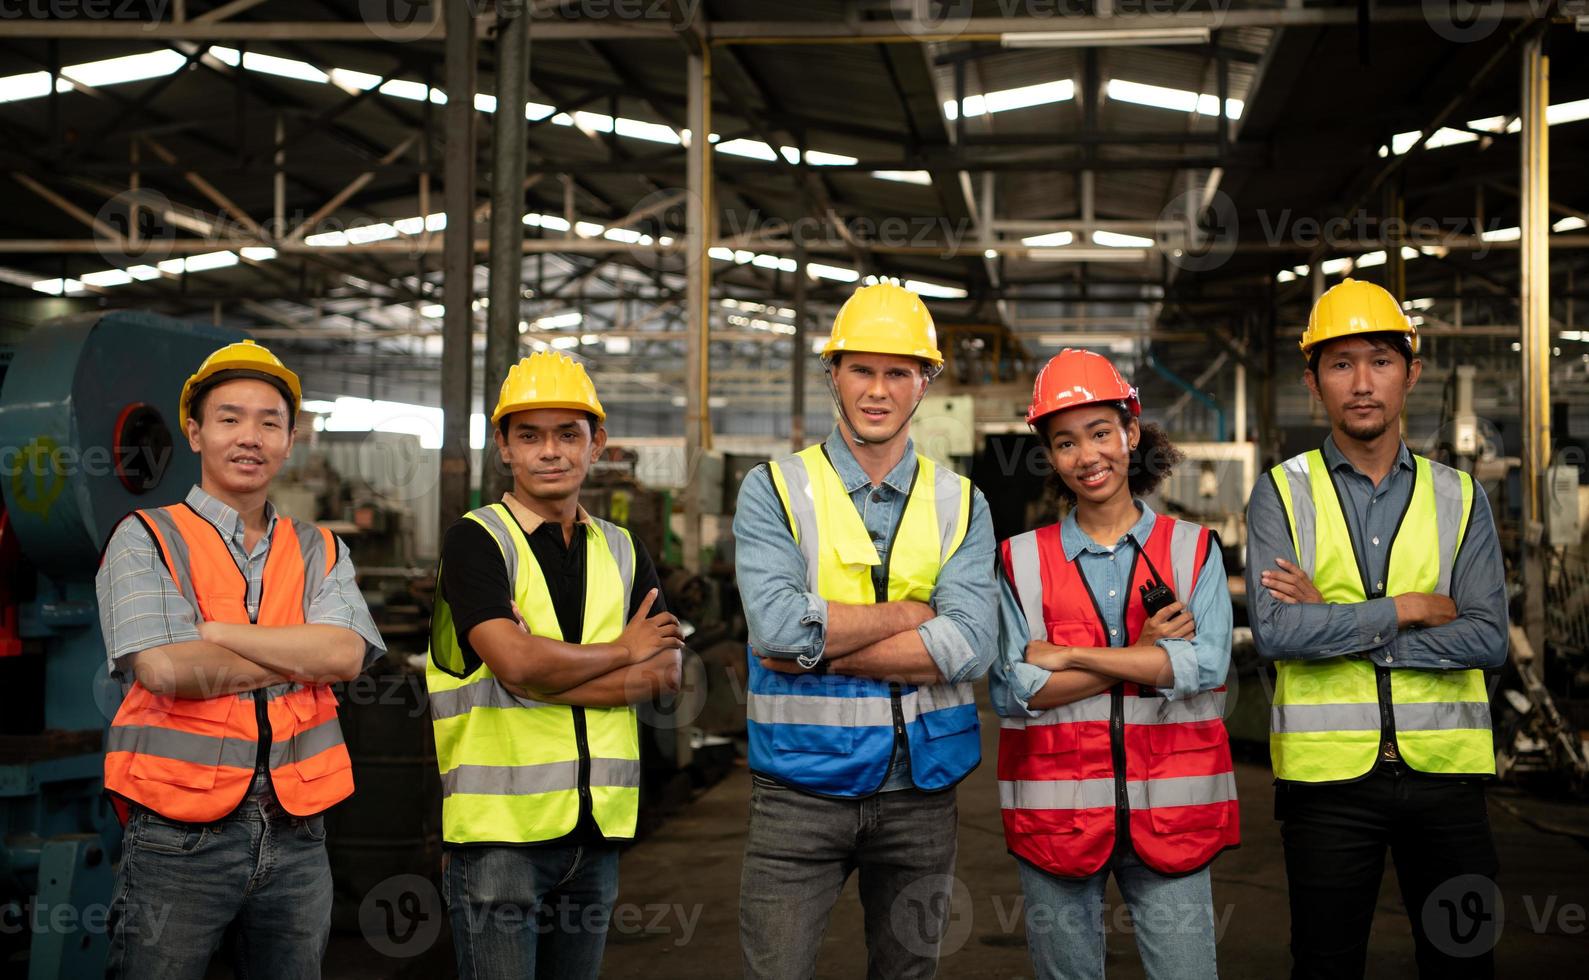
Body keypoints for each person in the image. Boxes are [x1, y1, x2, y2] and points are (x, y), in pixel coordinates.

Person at [734, 282, 999, 979]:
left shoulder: (961, 502)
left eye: (897, 372)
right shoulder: (774, 490)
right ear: (833, 374)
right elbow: (777, 632)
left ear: (924, 383)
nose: (876, 391)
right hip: (798, 787)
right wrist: (913, 616)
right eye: (861, 369)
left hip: (921, 788)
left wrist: (816, 643)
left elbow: (972, 645)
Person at [1246, 278, 1509, 979]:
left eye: (1380, 361)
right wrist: (1408, 607)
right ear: (1312, 381)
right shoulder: (1281, 491)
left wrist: (1331, 622)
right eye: (1339, 364)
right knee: (1325, 967)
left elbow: (1486, 639)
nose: (1361, 383)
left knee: (1464, 963)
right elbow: (1273, 634)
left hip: (1449, 785)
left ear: (1410, 374)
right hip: (1326, 788)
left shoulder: (1460, 497)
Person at [98, 339, 386, 979]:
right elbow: (166, 670)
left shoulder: (319, 548)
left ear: (290, 440)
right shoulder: (146, 537)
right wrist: (298, 651)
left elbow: (344, 655)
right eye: (229, 419)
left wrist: (220, 631)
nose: (249, 437)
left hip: (298, 831)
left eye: (269, 422)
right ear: (195, 432)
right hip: (178, 836)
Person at [427, 350, 683, 979]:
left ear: (596, 444)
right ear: (504, 448)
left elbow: (667, 675)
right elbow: (514, 662)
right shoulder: (476, 540)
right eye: (530, 435)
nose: (551, 452)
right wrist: (622, 652)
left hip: (596, 835)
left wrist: (544, 672)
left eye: (568, 434)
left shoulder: (623, 549)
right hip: (499, 841)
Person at [991, 348, 1238, 979]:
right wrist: (1148, 656)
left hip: (1171, 820)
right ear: (1050, 454)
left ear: (1131, 433)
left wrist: (1070, 655)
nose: (1088, 455)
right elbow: (1014, 688)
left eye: (1101, 433)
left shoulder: (1192, 549)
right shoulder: (1019, 560)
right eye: (1066, 442)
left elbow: (1205, 666)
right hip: (1056, 823)